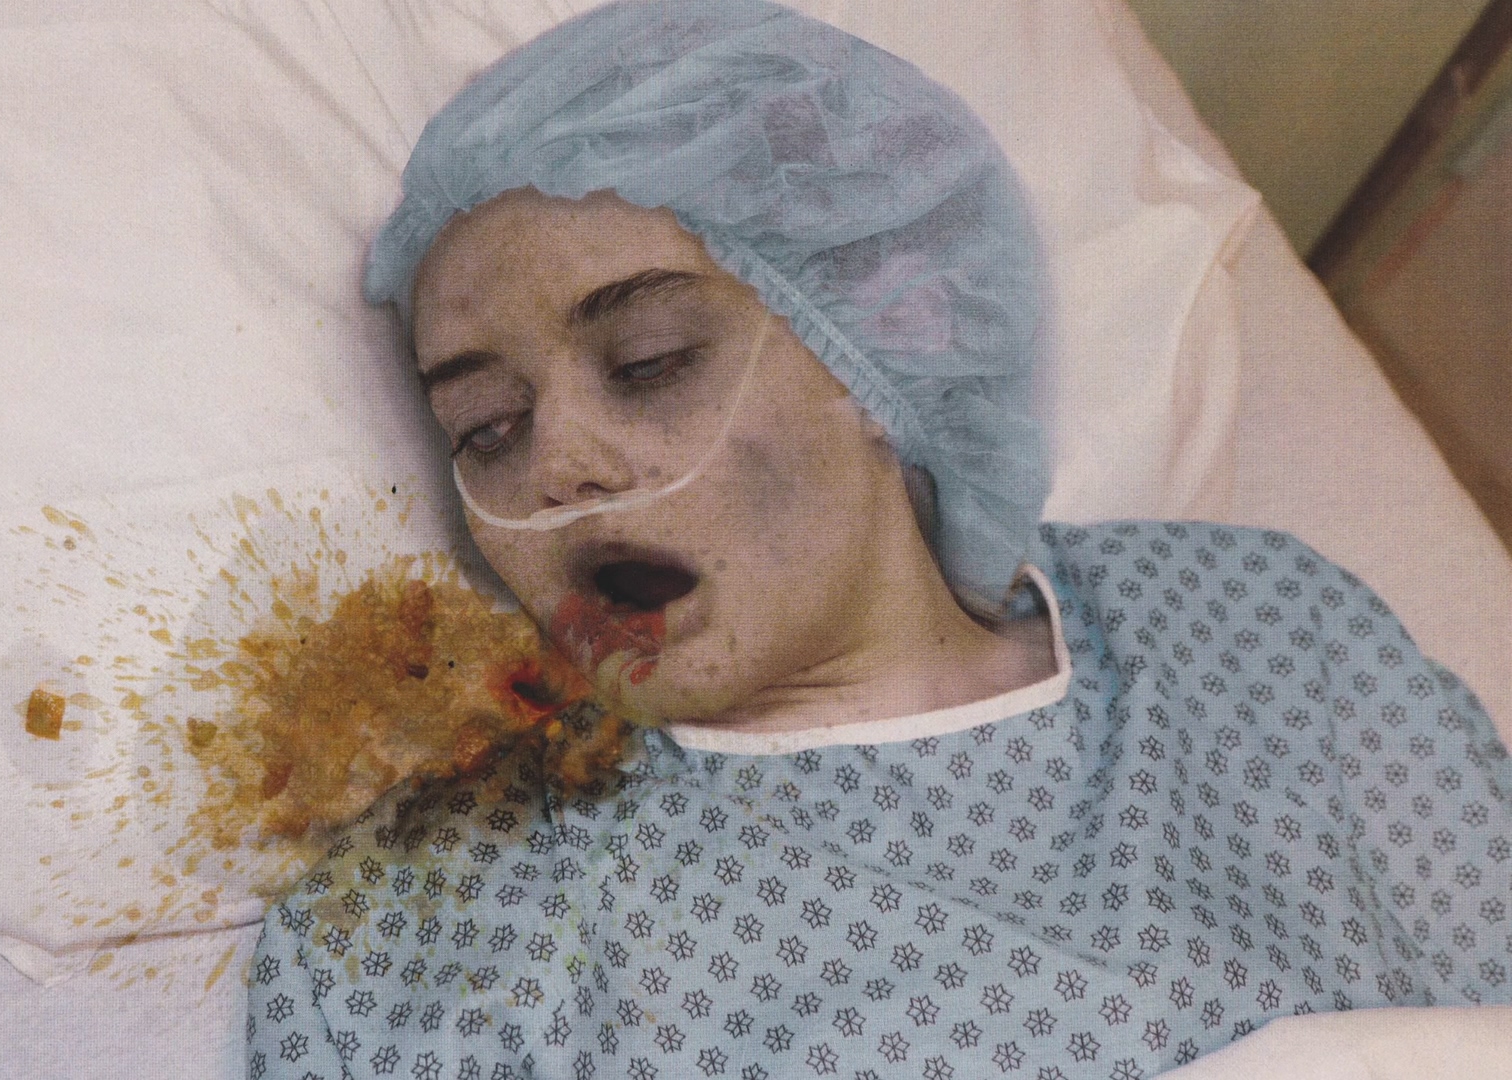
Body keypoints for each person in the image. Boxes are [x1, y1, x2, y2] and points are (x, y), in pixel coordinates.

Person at [243, 3, 1512, 1078]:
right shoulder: (434, 915)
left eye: (650, 359)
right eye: (486, 426)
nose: (555, 463)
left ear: (882, 333)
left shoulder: (1253, 627)